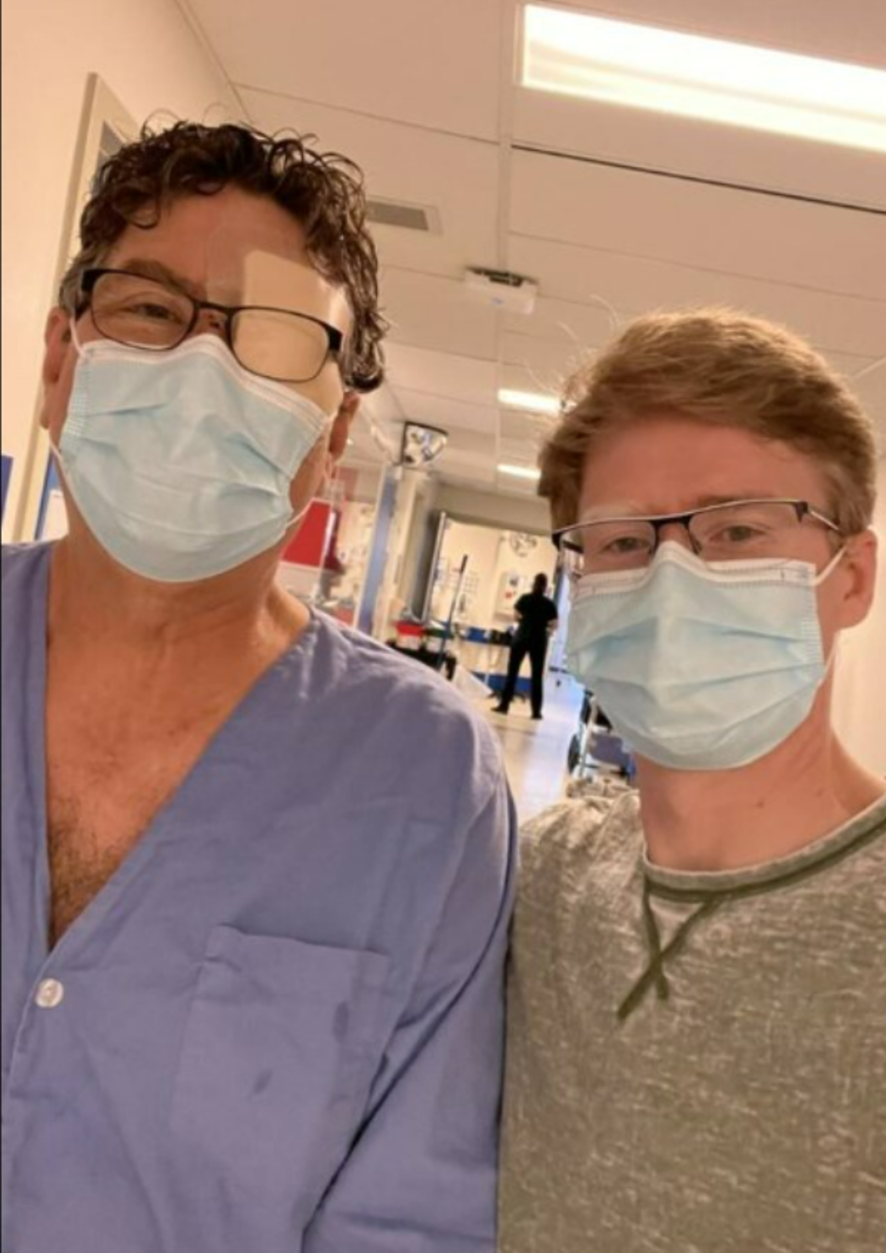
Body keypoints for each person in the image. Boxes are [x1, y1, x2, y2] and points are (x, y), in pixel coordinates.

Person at [0, 121, 516, 1252]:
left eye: (273, 341)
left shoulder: (423, 783)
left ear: (329, 436)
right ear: (57, 364)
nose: (201, 366)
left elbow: (411, 1220)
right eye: (150, 309)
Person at [498, 309, 886, 1253]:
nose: (675, 577)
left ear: (853, 577)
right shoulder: (541, 880)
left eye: (737, 529)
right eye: (623, 542)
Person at [493, 573, 559, 719]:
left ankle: (504, 706)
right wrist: (544, 627)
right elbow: (554, 625)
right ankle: (536, 712)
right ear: (545, 586)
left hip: (521, 638)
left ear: (533, 583)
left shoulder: (525, 599)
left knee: (512, 673)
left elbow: (515, 617)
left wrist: (524, 621)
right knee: (536, 677)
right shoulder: (549, 604)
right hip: (538, 642)